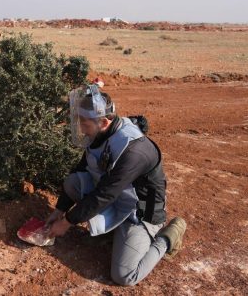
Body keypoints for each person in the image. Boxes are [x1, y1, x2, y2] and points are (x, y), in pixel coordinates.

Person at [46, 83, 187, 286]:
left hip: (139, 214)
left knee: (124, 275)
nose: (82, 130)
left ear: (103, 122)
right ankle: (113, 232)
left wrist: (67, 221)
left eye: (85, 124)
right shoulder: (101, 134)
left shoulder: (133, 151)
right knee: (73, 182)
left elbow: (104, 194)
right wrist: (60, 209)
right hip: (118, 200)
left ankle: (167, 236)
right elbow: (82, 169)